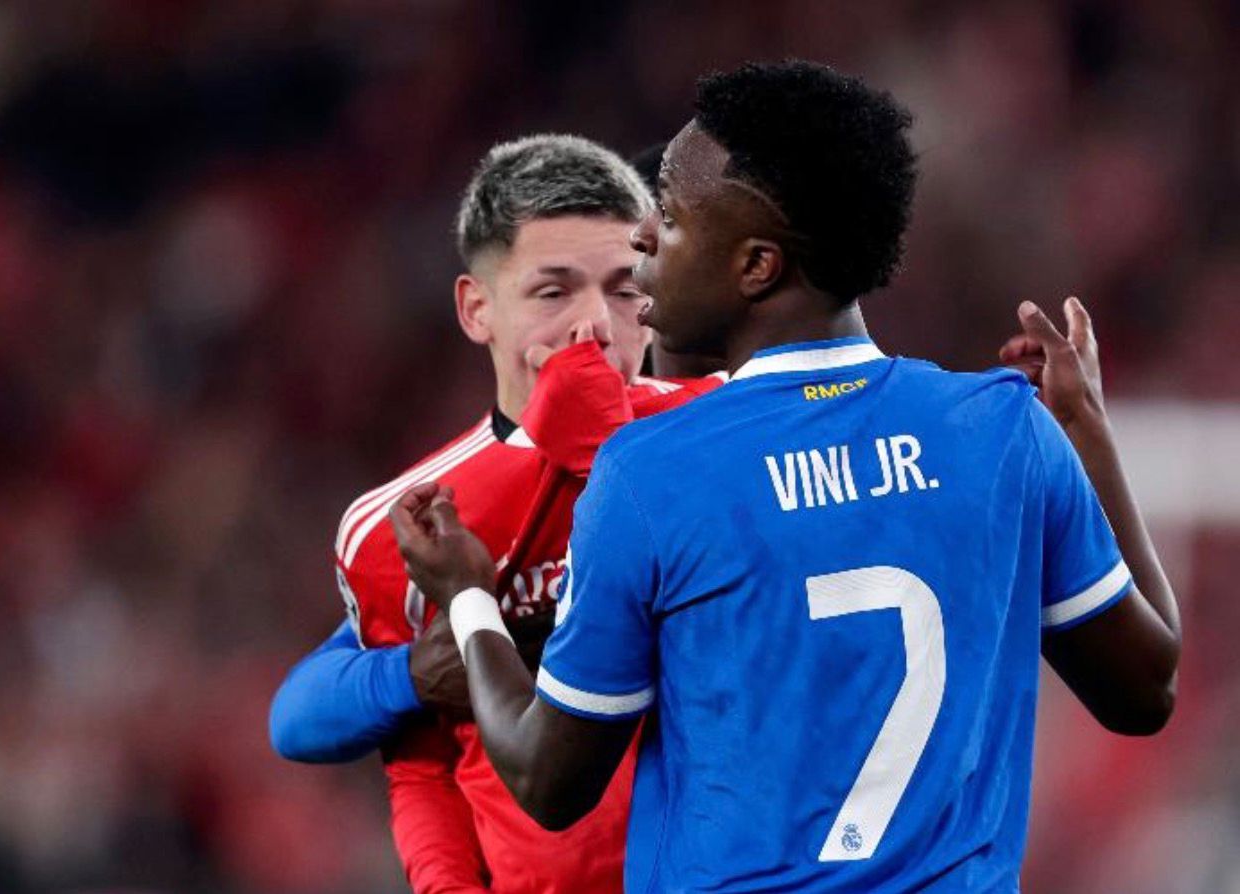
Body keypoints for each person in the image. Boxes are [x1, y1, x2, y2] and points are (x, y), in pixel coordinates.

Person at [391, 61, 1181, 893]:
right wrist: (1087, 430)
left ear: (757, 266)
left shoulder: (652, 473)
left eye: (670, 216)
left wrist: (467, 595)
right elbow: (1145, 691)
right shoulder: (1003, 429)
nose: (643, 239)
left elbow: (549, 783)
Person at [270, 134, 722, 893]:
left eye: (622, 287)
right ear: (477, 309)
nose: (595, 328)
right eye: (554, 292)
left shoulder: (731, 435)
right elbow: (418, 764)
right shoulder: (411, 522)